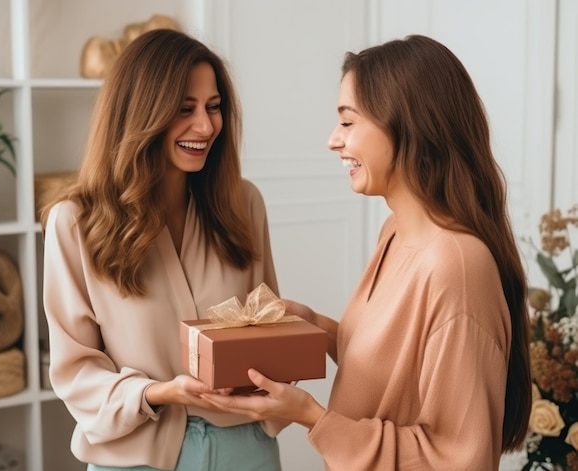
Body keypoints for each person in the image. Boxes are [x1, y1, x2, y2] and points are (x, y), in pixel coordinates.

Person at [200, 34, 532, 470]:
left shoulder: (457, 265)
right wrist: (315, 327)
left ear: (408, 123)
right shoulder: (394, 232)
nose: (333, 141)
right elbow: (398, 371)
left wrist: (309, 415)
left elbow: (457, 457)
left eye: (348, 122)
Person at [40, 29, 284, 471]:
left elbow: (264, 327)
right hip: (135, 456)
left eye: (213, 108)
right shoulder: (74, 223)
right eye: (184, 109)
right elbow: (74, 371)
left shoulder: (244, 204)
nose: (206, 126)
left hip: (244, 448)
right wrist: (159, 391)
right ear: (140, 114)